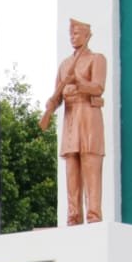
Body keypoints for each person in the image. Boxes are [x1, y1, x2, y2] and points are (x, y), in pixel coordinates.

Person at [40, 18, 107, 225]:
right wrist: (51, 104)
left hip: (88, 115)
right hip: (70, 117)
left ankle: (93, 215)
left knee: (90, 164)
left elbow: (97, 87)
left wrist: (78, 80)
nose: (73, 37)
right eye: (71, 34)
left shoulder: (96, 59)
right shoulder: (65, 65)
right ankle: (73, 217)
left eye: (77, 33)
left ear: (87, 35)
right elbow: (58, 96)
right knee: (71, 169)